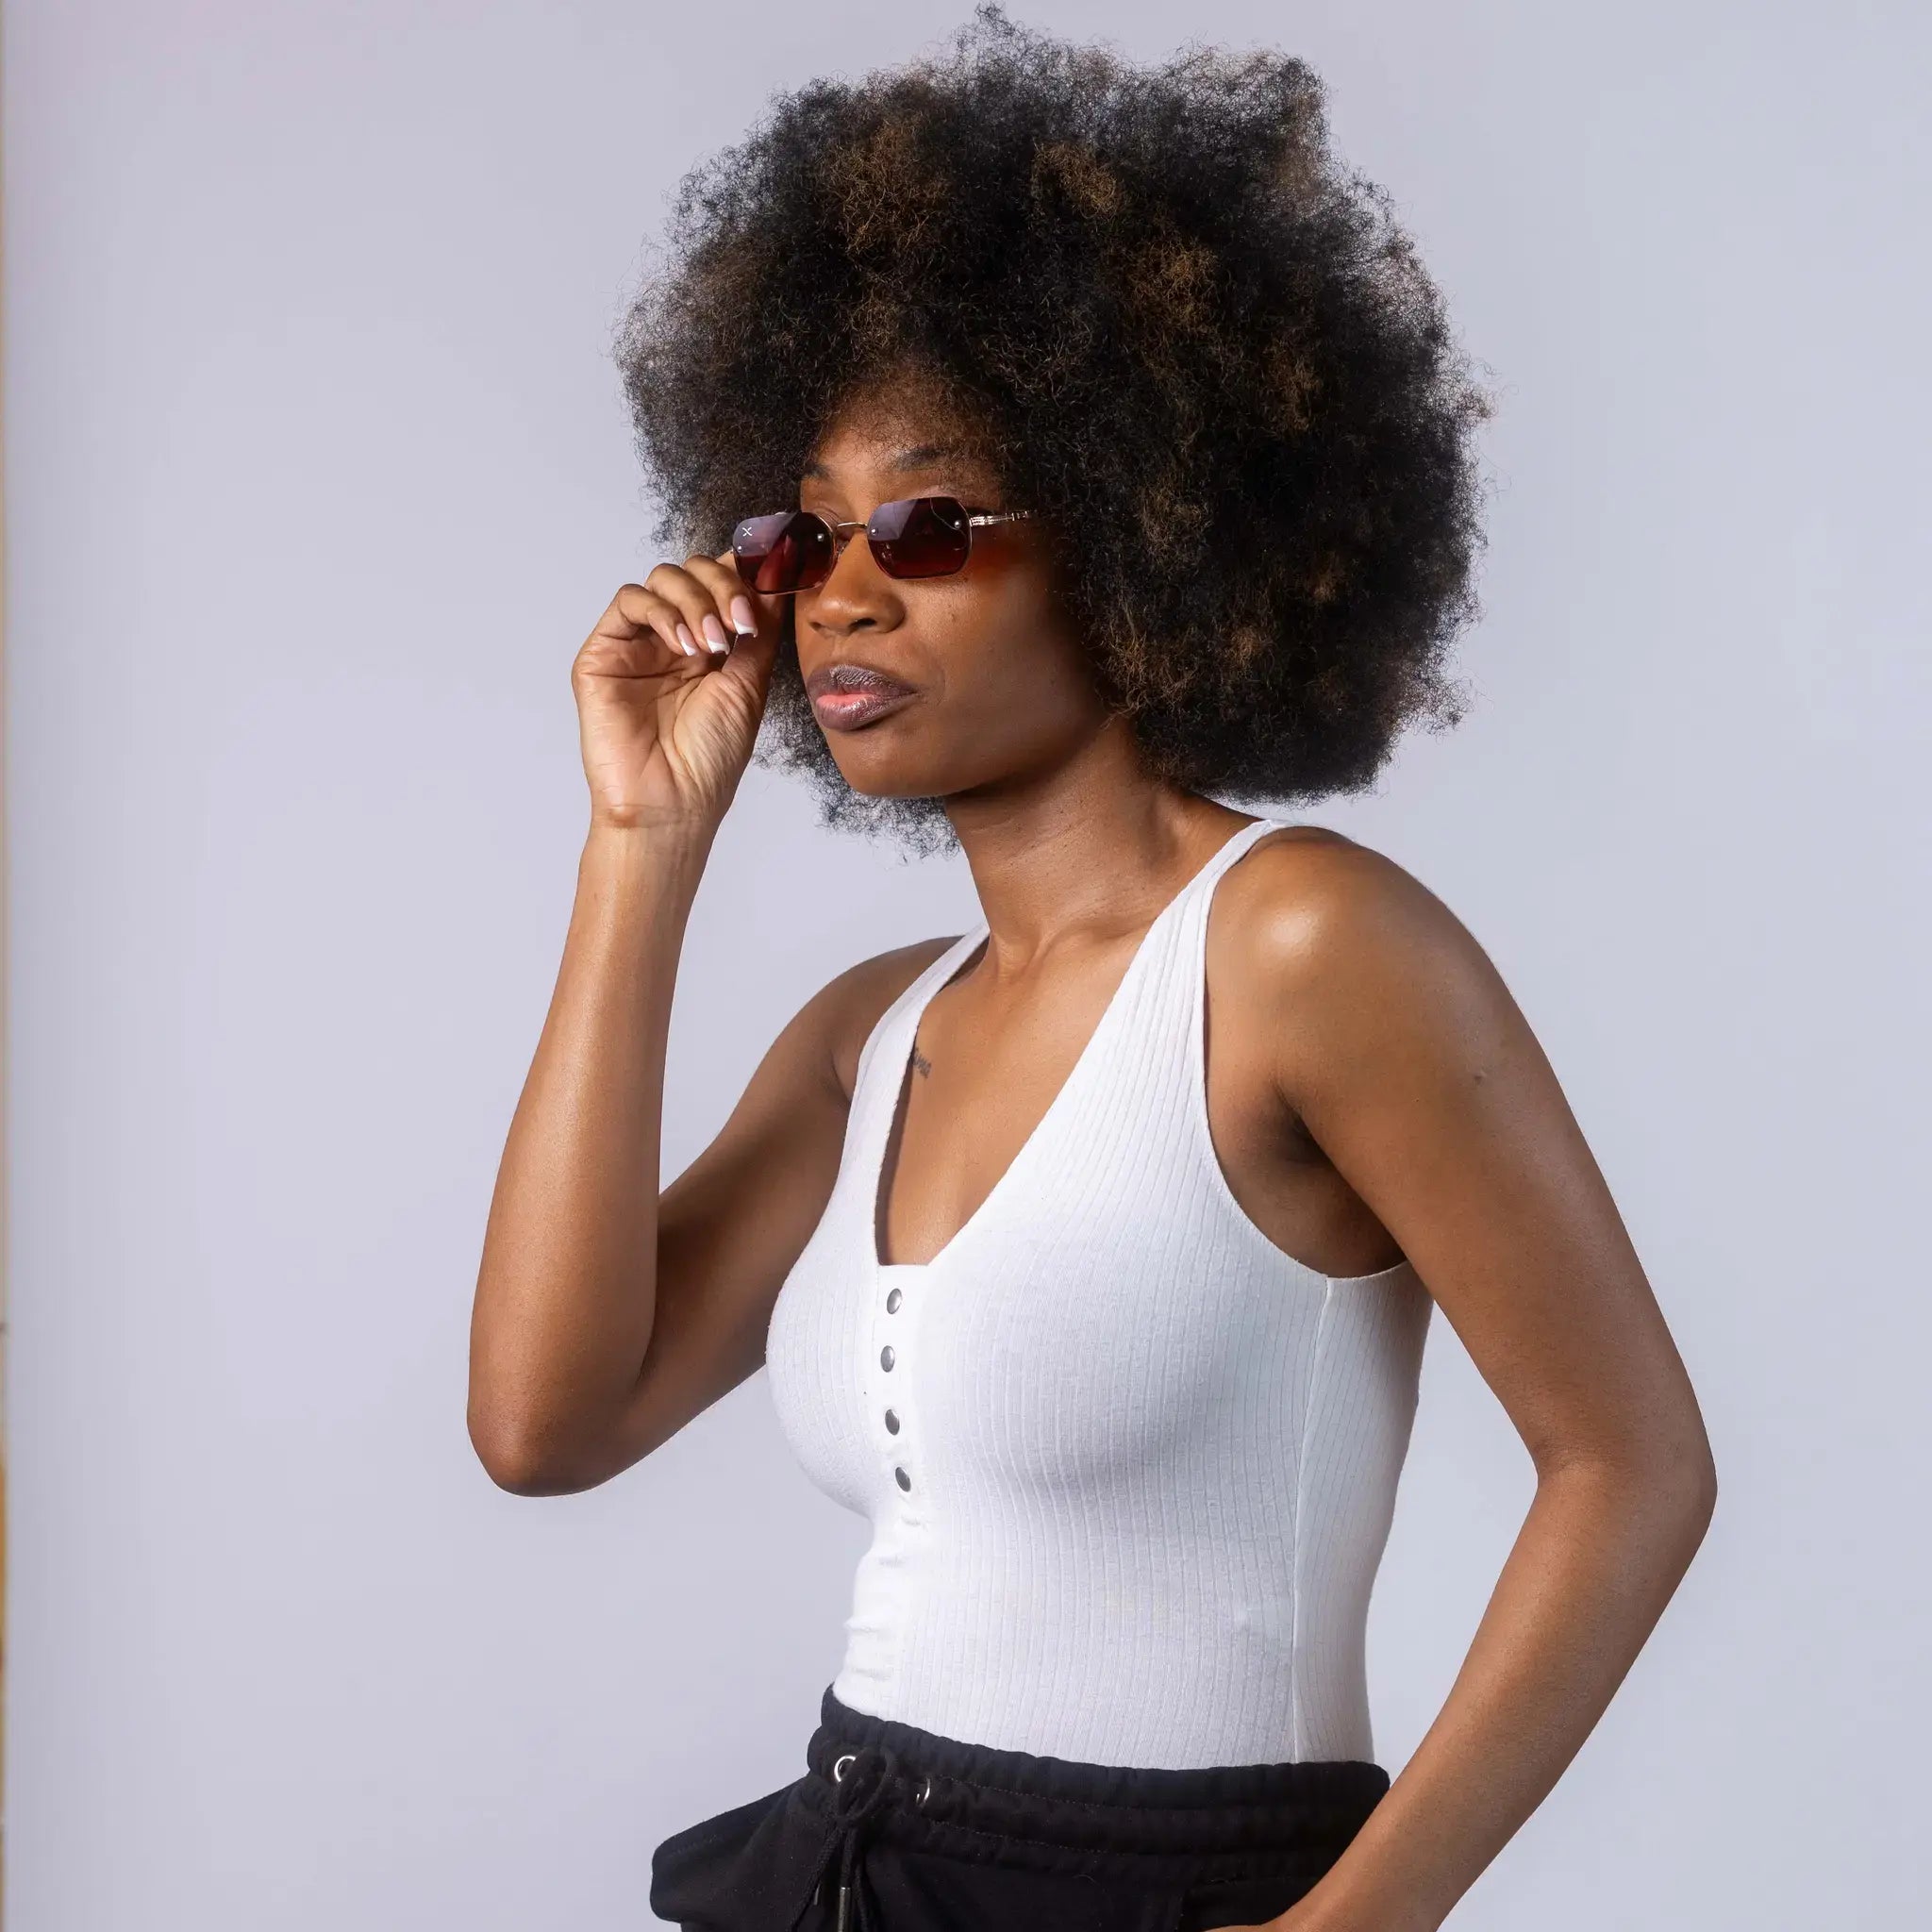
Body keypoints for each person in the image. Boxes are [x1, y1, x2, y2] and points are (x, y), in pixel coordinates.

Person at [467, 10, 1717, 1930]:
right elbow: (545, 1425)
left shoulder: (1303, 944)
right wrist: (641, 851)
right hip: (847, 1863)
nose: (851, 590)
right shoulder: (867, 1035)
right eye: (807, 534)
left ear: (1148, 532)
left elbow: (1627, 1464)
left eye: (932, 521)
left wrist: (1356, 1924)